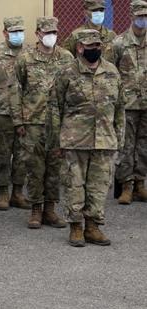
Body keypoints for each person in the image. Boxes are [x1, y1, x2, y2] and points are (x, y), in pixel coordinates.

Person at [48, 29, 125, 247]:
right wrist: (56, 140)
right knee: (74, 184)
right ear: (80, 48)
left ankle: (93, 226)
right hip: (74, 140)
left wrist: (119, 139)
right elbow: (55, 108)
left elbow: (119, 108)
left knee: (99, 185)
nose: (95, 50)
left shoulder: (112, 72)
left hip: (104, 140)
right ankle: (76, 227)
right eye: (90, 47)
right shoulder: (67, 73)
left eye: (98, 46)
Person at [13, 16, 73, 229]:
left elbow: (71, 90)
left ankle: (50, 208)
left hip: (58, 123)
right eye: (47, 33)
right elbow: (16, 90)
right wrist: (19, 120)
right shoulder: (25, 58)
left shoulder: (66, 58)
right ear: (38, 33)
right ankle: (36, 208)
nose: (51, 37)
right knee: (35, 167)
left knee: (55, 167)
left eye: (54, 33)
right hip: (33, 122)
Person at [0, 16, 30, 210]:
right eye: (13, 32)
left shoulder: (30, 54)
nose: (18, 35)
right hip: (1, 111)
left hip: (26, 111)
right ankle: (3, 192)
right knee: (2, 153)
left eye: (20, 31)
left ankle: (18, 192)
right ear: (5, 33)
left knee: (22, 154)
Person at [112, 0, 147, 204]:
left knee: (144, 145)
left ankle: (140, 184)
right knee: (126, 144)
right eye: (140, 16)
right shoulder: (119, 43)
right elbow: (110, 72)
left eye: (146, 16)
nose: (143, 20)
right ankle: (126, 185)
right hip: (127, 103)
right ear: (132, 17)